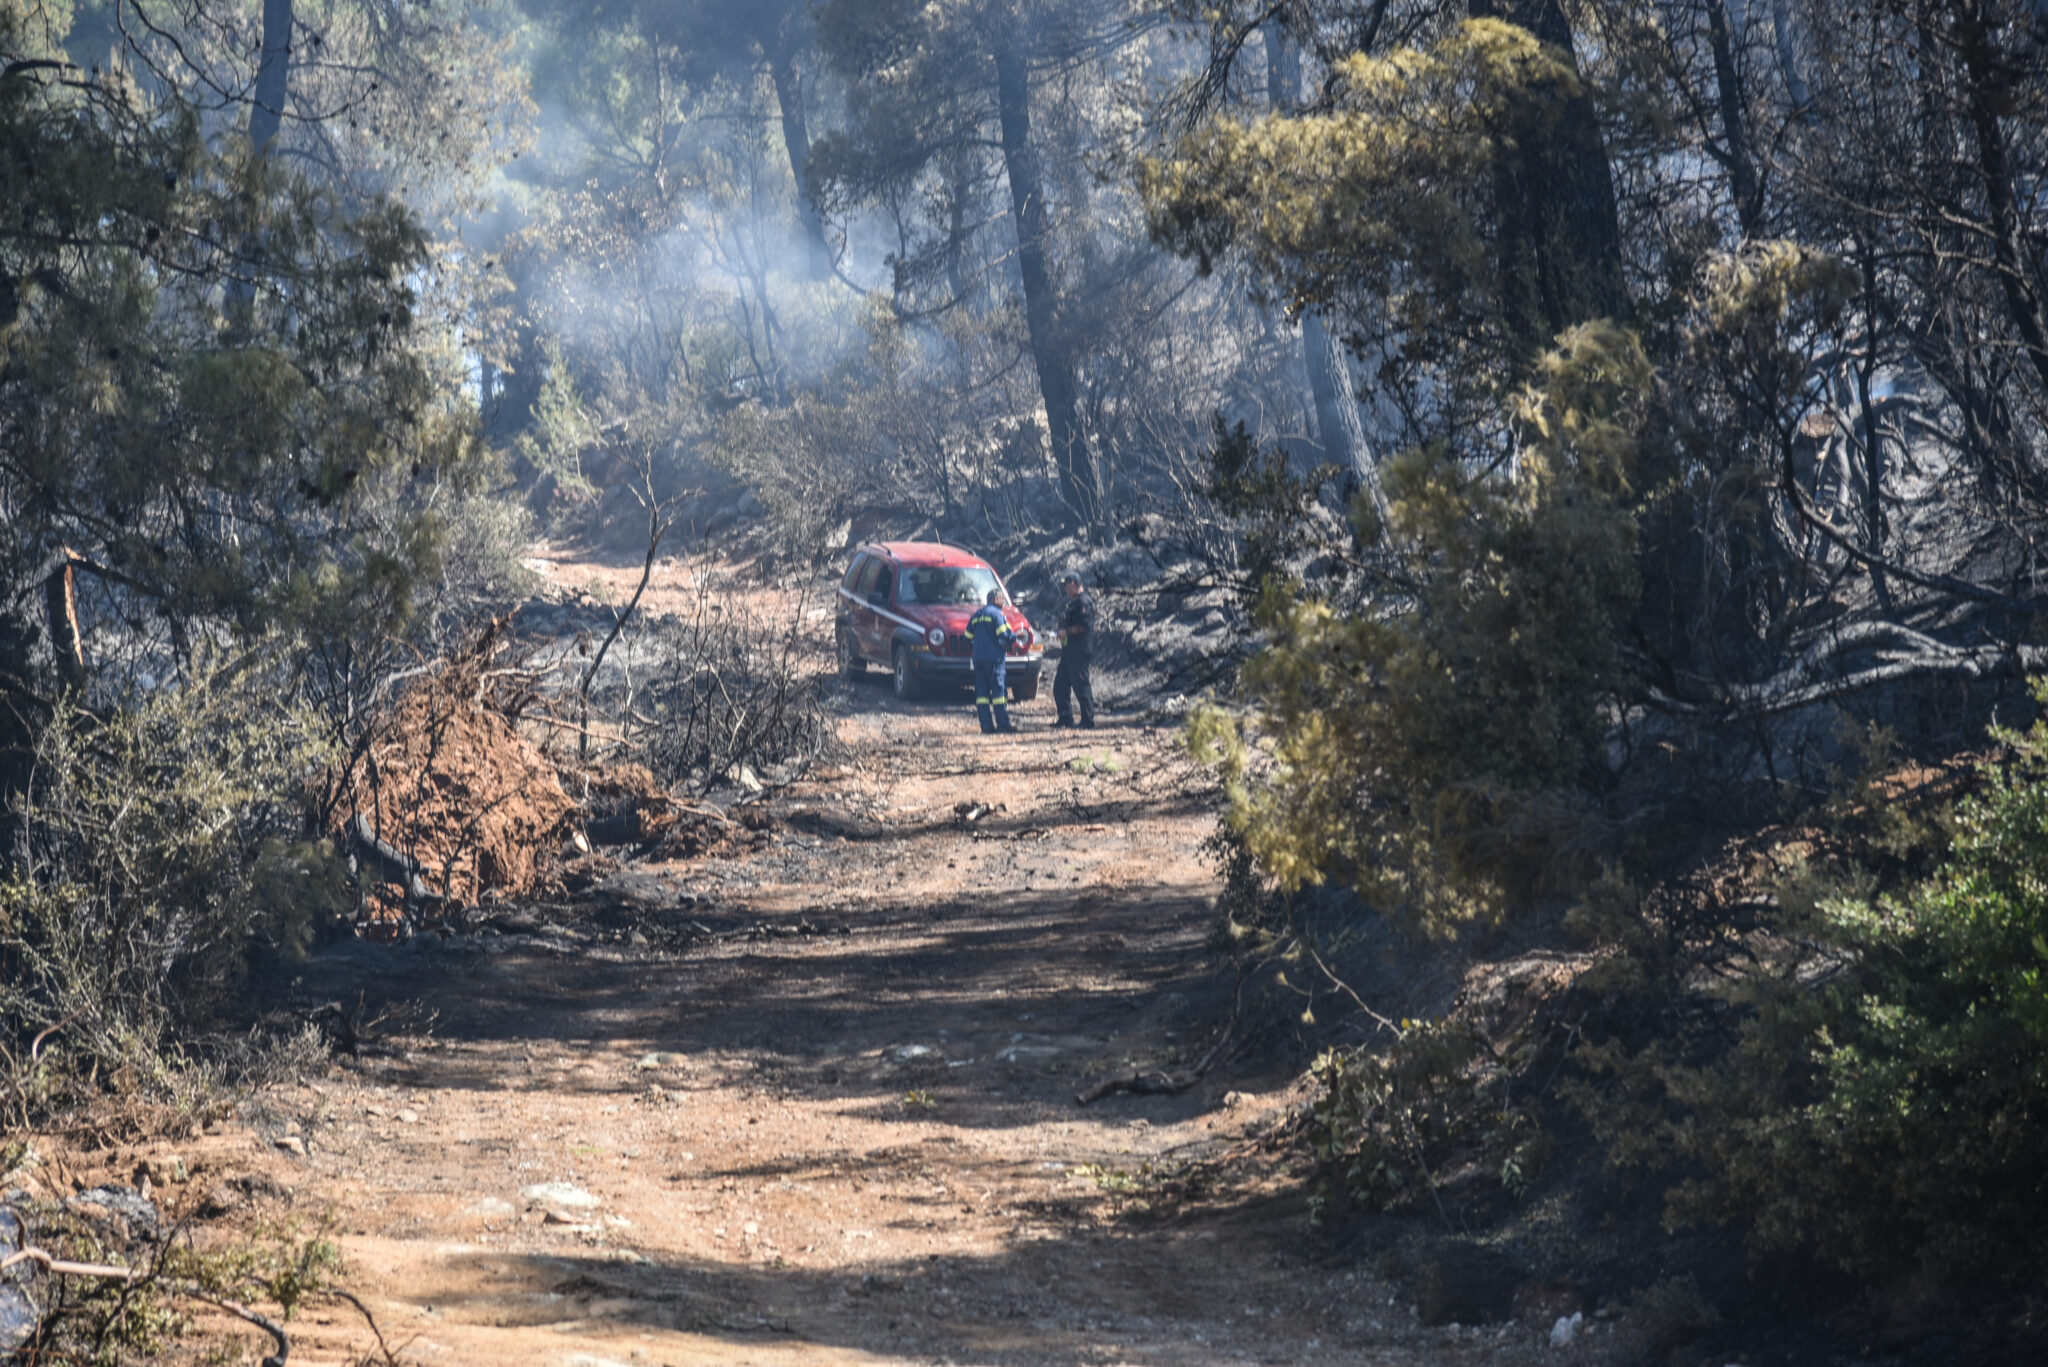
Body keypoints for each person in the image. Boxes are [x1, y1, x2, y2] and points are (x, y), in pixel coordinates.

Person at [964, 588, 1016, 734]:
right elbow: (1004, 634)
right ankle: (1003, 725)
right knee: (999, 693)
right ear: (996, 600)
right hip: (994, 659)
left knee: (982, 694)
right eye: (1002, 600)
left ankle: (986, 726)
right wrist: (1015, 637)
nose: (1004, 603)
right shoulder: (997, 615)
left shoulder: (977, 615)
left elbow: (967, 636)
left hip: (978, 660)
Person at [1053, 571, 1096, 729]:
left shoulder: (1084, 602)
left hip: (1079, 651)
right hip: (1069, 651)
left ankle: (1088, 720)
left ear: (1073, 584)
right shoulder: (1075, 602)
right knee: (1060, 686)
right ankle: (1065, 718)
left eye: (1066, 585)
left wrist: (1066, 632)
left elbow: (1083, 626)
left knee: (1081, 685)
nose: (1064, 588)